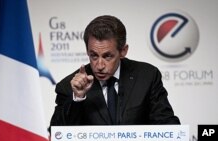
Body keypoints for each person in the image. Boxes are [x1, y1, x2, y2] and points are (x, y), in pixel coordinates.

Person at [49, 15, 180, 129]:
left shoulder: (147, 76)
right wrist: (77, 98)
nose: (99, 65)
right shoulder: (68, 87)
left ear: (123, 51)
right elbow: (56, 133)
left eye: (107, 56)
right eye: (93, 55)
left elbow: (167, 125)